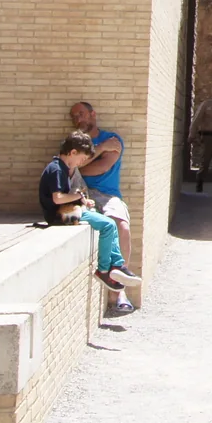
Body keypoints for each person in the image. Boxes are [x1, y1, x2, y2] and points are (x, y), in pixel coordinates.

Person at [40, 132, 141, 295]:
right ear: (72, 153)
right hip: (59, 214)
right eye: (80, 159)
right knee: (108, 225)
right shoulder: (57, 169)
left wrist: (82, 201)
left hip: (68, 210)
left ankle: (117, 265)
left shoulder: (63, 168)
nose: (81, 163)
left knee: (109, 223)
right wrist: (79, 197)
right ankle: (103, 270)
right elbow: (58, 198)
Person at [71, 101, 135, 312]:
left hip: (107, 195)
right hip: (81, 194)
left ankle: (119, 288)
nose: (78, 119)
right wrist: (99, 149)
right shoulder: (75, 141)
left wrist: (85, 163)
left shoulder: (112, 139)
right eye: (74, 116)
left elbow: (100, 168)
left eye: (82, 114)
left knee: (121, 225)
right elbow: (73, 166)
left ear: (93, 114)